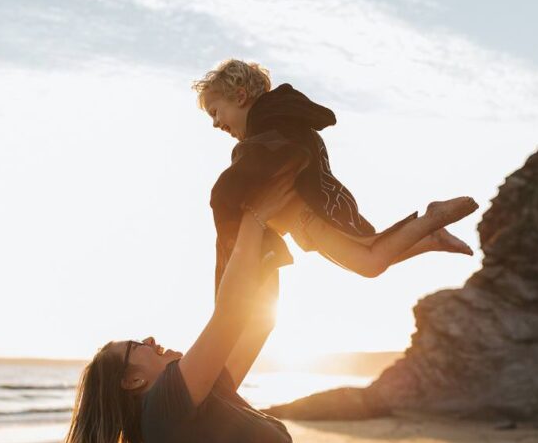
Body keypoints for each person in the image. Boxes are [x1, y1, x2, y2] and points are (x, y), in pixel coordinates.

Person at [54, 168, 304, 443]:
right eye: (137, 345)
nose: (151, 340)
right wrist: (255, 219)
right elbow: (230, 315)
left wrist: (270, 238)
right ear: (132, 380)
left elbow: (258, 321)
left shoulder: (203, 401)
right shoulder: (164, 407)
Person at [193, 59, 479, 292]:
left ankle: (433, 219)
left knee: (371, 262)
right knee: (372, 254)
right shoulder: (283, 125)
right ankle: (430, 238)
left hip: (311, 217)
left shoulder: (266, 138)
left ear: (240, 97)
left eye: (216, 112)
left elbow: (227, 191)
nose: (216, 124)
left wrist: (234, 245)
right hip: (318, 212)